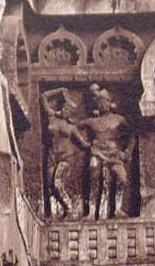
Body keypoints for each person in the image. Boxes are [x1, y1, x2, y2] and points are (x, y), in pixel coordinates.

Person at [81, 84, 134, 219]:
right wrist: (86, 143)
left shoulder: (119, 119)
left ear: (110, 103)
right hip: (97, 153)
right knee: (94, 177)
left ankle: (117, 209)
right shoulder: (93, 121)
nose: (102, 105)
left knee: (122, 178)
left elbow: (133, 134)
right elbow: (75, 127)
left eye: (104, 102)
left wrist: (126, 153)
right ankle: (92, 212)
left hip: (114, 153)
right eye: (99, 102)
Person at [41, 88, 90, 218]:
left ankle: (70, 207)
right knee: (50, 186)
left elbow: (83, 143)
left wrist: (96, 144)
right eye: (64, 107)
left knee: (57, 182)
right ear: (61, 107)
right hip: (52, 155)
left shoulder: (71, 128)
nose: (65, 110)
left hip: (65, 157)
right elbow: (43, 96)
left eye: (68, 110)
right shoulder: (51, 116)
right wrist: (59, 90)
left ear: (71, 114)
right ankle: (60, 210)